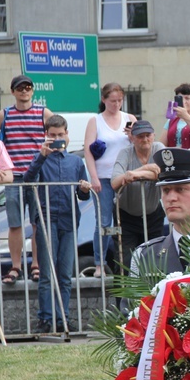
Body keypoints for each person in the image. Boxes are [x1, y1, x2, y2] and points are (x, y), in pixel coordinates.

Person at [24, 115, 91, 334]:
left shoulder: (75, 161)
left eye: (60, 135)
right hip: (46, 219)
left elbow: (82, 196)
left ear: (67, 135)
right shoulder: (41, 158)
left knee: (64, 273)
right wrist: (42, 156)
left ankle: (63, 317)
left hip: (69, 220)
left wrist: (84, 189)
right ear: (46, 136)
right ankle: (45, 319)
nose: (56, 139)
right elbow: (28, 179)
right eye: (52, 135)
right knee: (46, 272)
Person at [0, 74, 54, 285]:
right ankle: (15, 266)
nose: (24, 90)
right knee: (14, 223)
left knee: (37, 223)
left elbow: (61, 134)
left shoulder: (43, 112)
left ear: (32, 90)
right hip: (14, 177)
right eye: (20, 87)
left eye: (28, 87)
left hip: (38, 175)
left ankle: (36, 265)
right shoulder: (4, 115)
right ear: (13, 91)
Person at [84, 82, 135, 278]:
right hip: (104, 177)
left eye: (120, 101)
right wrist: (94, 177)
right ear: (104, 100)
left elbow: (140, 145)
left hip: (125, 177)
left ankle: (129, 263)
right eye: (112, 101)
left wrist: (133, 136)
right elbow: (88, 152)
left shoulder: (129, 118)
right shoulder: (95, 121)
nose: (116, 104)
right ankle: (99, 264)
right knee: (104, 221)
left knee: (128, 220)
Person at [111, 120, 165, 277]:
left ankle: (153, 300)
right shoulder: (125, 153)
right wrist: (145, 168)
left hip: (153, 214)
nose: (145, 139)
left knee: (155, 262)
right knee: (124, 264)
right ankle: (123, 302)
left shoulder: (159, 149)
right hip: (126, 216)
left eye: (148, 135)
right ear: (132, 138)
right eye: (140, 136)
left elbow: (163, 173)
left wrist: (136, 174)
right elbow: (114, 182)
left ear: (153, 136)